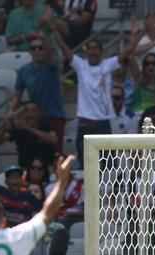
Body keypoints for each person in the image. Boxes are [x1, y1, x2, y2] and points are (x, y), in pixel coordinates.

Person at [61, 36, 128, 164]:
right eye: (90, 48)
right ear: (86, 52)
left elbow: (127, 53)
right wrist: (54, 32)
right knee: (85, 163)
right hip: (85, 122)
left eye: (96, 48)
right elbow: (65, 51)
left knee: (108, 164)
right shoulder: (80, 65)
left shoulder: (108, 64)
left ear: (101, 51)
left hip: (103, 122)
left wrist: (137, 36)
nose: (93, 51)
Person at [13, 35, 66, 145]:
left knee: (55, 152)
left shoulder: (52, 66)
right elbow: (17, 96)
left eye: (41, 48)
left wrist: (44, 36)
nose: (37, 50)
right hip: (34, 119)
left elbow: (53, 53)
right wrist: (11, 112)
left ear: (46, 50)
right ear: (29, 51)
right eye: (33, 48)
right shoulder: (23, 70)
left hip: (54, 117)